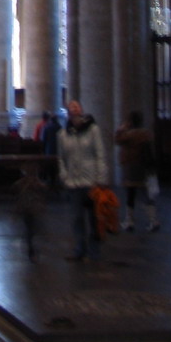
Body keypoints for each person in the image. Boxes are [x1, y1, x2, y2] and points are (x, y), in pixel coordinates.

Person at [57, 99, 107, 261]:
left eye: (77, 106)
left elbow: (99, 154)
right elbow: (61, 158)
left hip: (91, 180)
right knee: (77, 218)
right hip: (73, 181)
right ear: (68, 112)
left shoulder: (93, 130)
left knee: (94, 217)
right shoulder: (63, 134)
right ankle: (80, 249)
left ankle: (95, 251)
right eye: (71, 107)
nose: (74, 109)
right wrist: (64, 176)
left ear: (82, 109)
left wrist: (101, 178)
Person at [114, 110, 160, 232]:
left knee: (130, 194)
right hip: (143, 167)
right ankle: (153, 219)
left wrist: (122, 128)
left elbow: (117, 139)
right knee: (146, 194)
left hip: (130, 167)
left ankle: (129, 221)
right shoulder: (146, 134)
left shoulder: (129, 135)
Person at [11, 162, 48, 261]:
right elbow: (16, 191)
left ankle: (33, 248)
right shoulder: (22, 183)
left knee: (33, 230)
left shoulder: (37, 183)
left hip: (33, 209)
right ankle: (31, 249)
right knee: (29, 230)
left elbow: (43, 192)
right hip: (27, 209)